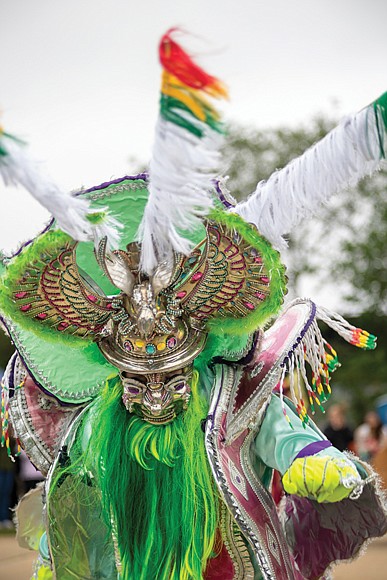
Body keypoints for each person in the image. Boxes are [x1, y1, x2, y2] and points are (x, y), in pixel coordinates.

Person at [1, 29, 387, 580]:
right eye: (139, 378)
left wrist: (310, 459)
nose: (155, 395)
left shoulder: (233, 392)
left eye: (166, 376)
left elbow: (278, 431)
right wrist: (55, 557)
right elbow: (76, 492)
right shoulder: (100, 420)